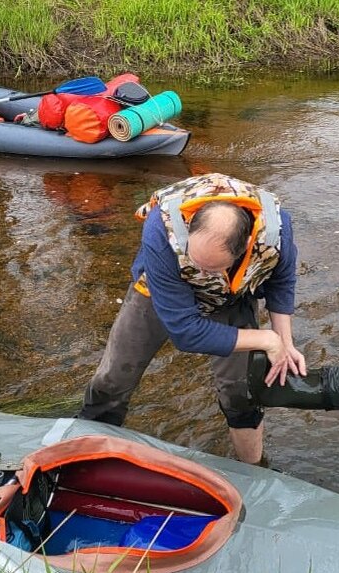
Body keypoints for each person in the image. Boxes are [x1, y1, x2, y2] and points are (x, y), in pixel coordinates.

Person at [78, 172, 306, 465]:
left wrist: (285, 343)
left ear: (245, 247)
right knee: (113, 379)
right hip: (161, 290)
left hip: (232, 296)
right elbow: (185, 332)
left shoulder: (277, 231)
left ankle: (254, 470)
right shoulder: (161, 229)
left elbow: (281, 282)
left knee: (241, 394)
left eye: (211, 268)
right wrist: (266, 339)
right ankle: (85, 451)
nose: (201, 272)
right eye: (195, 261)